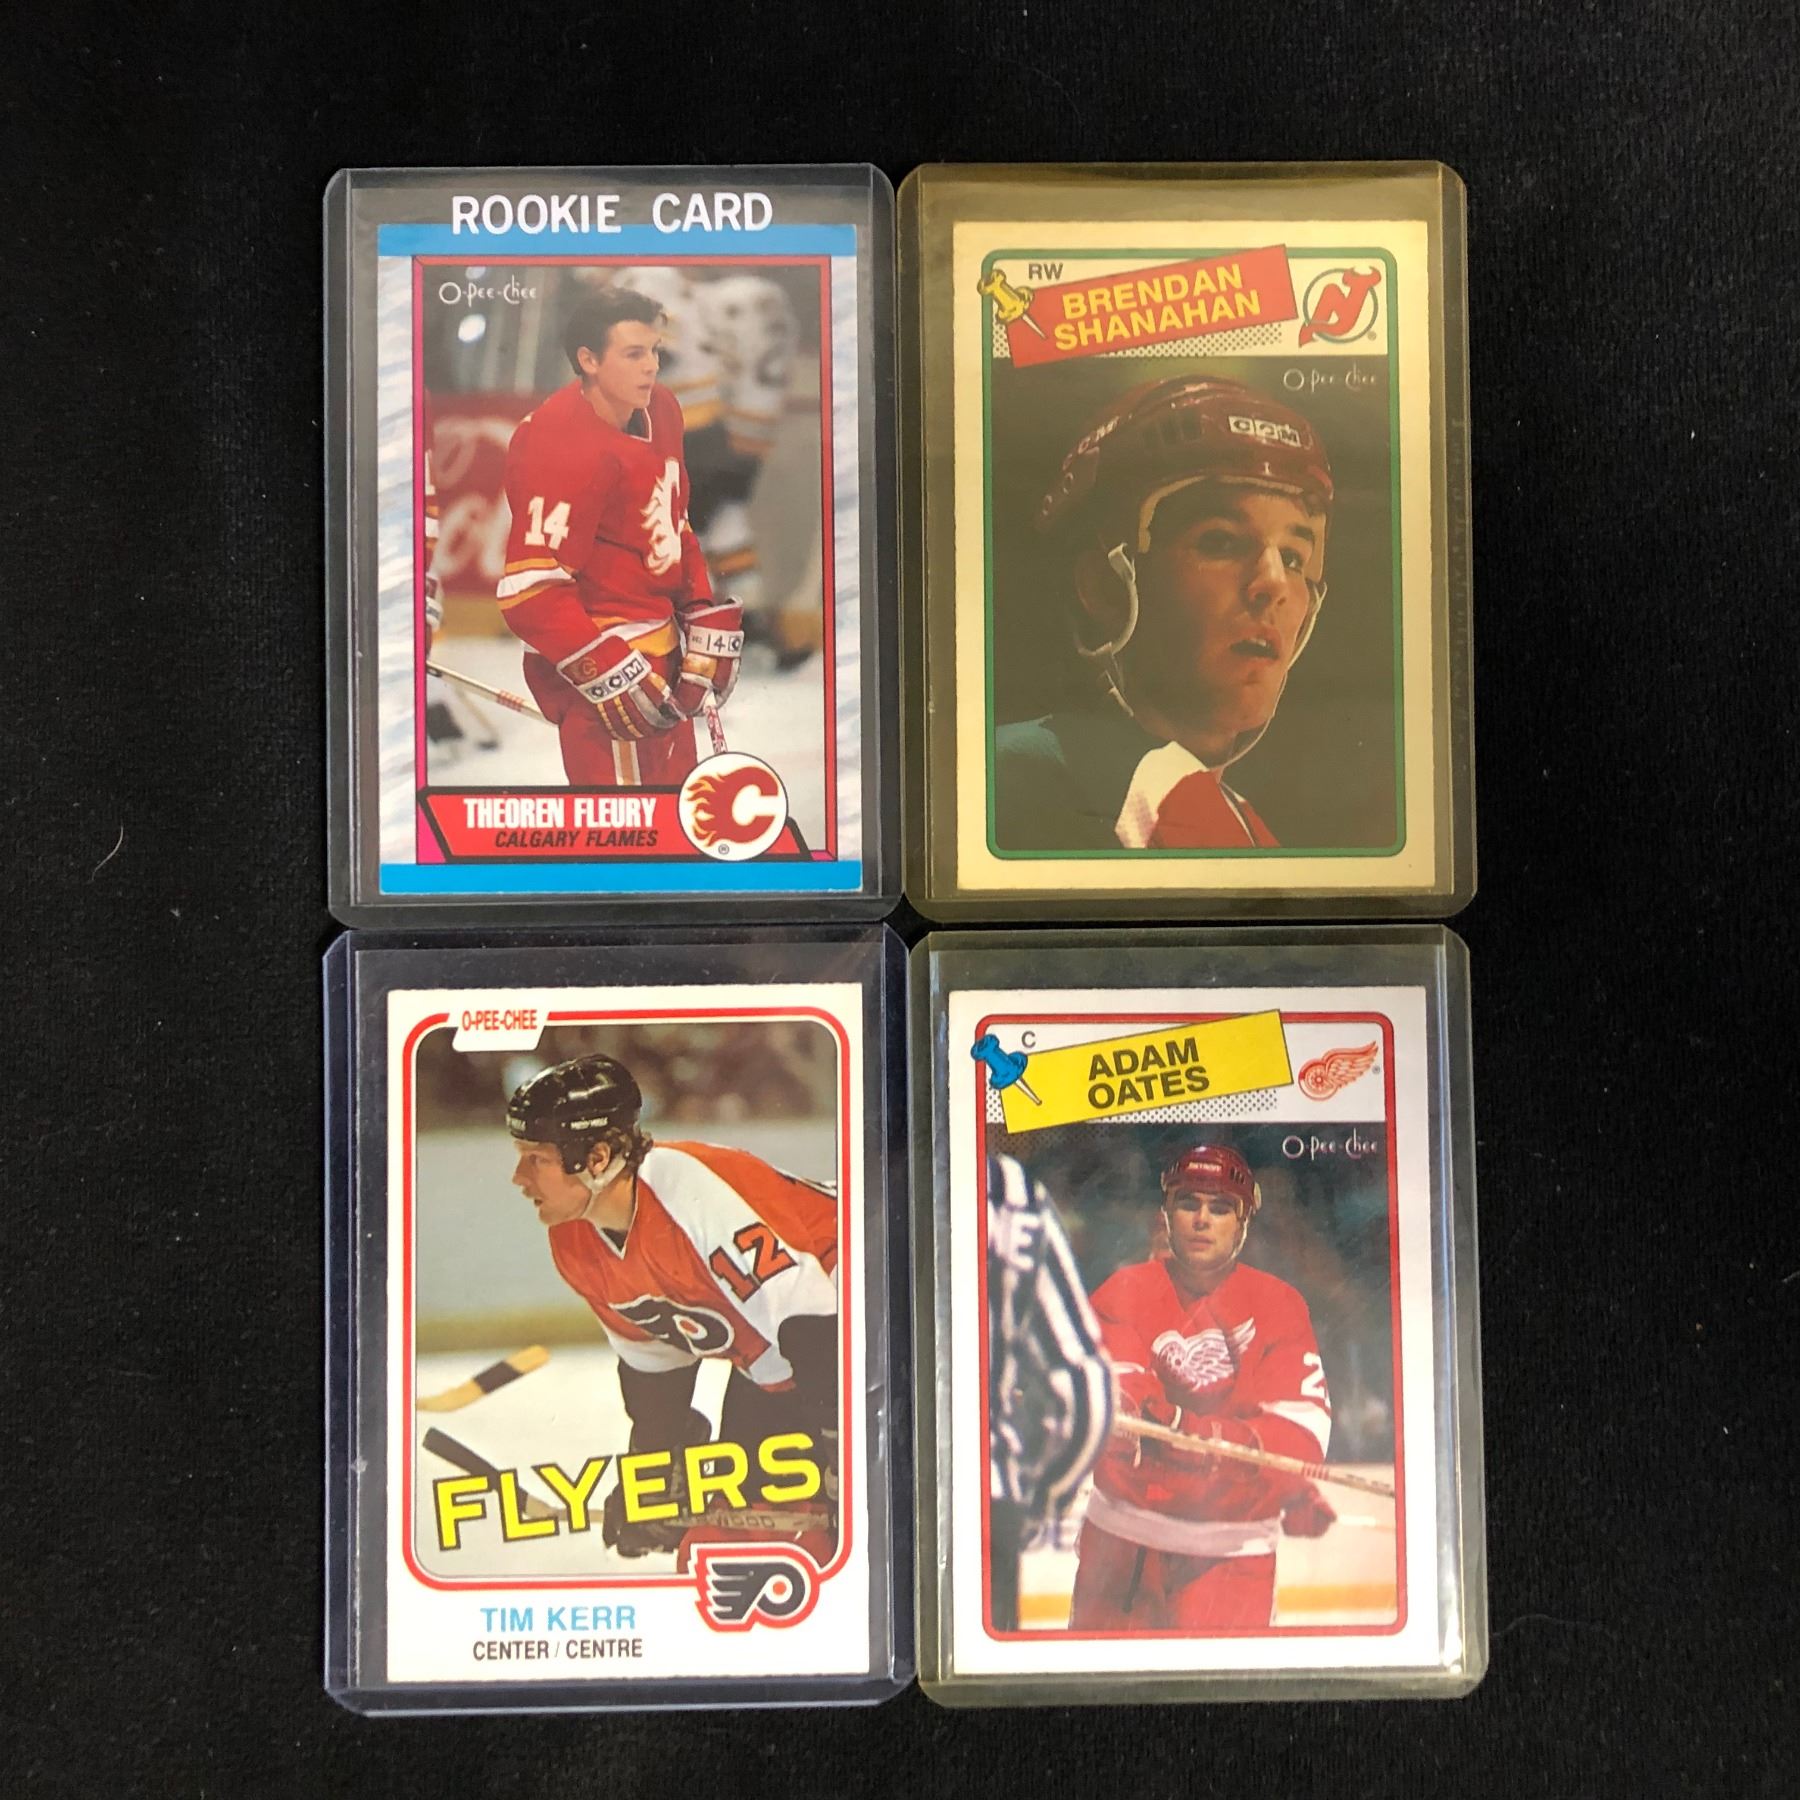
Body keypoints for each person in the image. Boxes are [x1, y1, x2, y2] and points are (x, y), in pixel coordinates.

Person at [506, 1053, 837, 1563]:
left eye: (537, 1160)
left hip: (885, 1313)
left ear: (597, 1158)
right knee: (718, 1549)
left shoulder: (692, 1193)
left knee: (808, 1548)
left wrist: (847, 1453)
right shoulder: (574, 1241)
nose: (518, 1178)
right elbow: (654, 1368)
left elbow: (817, 1327)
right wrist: (653, 1476)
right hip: (791, 1366)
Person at [995, 376, 1332, 850]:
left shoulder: (1231, 814)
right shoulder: (1024, 777)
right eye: (1221, 541)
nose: (1274, 584)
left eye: (1294, 558)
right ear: (1104, 586)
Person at [1069, 1143, 1336, 1631]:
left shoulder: (1279, 1304)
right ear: (1166, 1214)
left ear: (1244, 1222)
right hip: (1123, 1544)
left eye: (1220, 1208)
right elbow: (1119, 1393)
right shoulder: (1123, 1290)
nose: (1202, 1220)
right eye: (1188, 1203)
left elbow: (1300, 1431)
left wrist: (1287, 1485)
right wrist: (1128, 1417)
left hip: (1229, 1559)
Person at [495, 289, 744, 789]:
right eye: (633, 354)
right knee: (625, 830)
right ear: (588, 360)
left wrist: (698, 611)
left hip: (664, 659)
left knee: (675, 824)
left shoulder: (663, 409)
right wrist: (608, 672)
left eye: (655, 350)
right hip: (605, 670)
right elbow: (531, 590)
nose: (652, 366)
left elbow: (674, 523)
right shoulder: (557, 442)